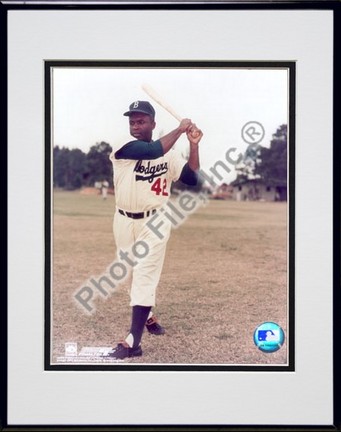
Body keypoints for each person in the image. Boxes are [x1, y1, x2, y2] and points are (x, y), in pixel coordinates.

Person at [106, 100, 203, 360]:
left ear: (153, 123)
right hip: (124, 219)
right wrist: (181, 129)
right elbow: (151, 151)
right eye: (132, 121)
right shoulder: (123, 145)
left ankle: (132, 342)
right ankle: (147, 315)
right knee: (129, 271)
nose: (136, 126)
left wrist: (193, 146)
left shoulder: (170, 154)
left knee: (145, 275)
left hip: (155, 222)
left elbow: (193, 179)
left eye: (141, 121)